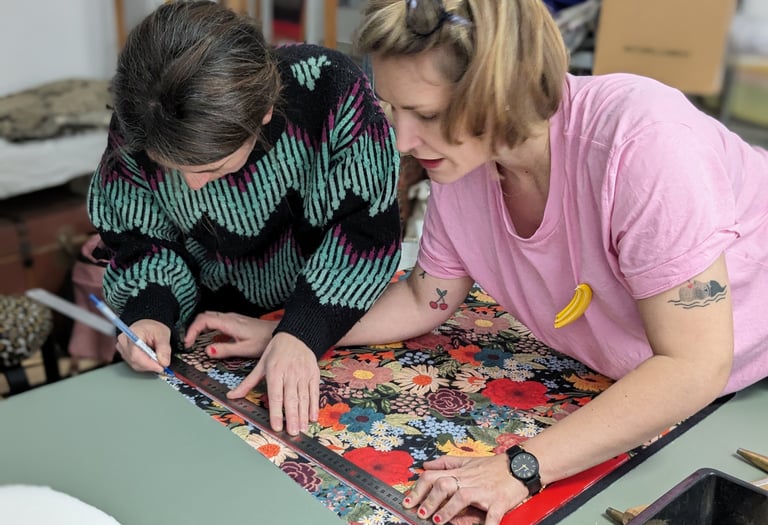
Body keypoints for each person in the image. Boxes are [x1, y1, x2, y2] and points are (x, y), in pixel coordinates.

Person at [191, 0, 768, 522]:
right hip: (636, 372)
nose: (401, 140)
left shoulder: (642, 143)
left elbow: (693, 365)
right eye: (393, 110)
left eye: (425, 112)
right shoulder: (467, 164)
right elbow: (425, 298)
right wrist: (296, 333)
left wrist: (521, 468)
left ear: (500, 87)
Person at [87, 1, 402, 438]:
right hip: (198, 339)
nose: (193, 189)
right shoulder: (144, 116)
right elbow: (141, 239)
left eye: (211, 169)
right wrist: (149, 315)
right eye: (173, 169)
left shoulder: (330, 91)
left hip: (328, 320)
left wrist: (300, 333)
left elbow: (363, 233)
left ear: (264, 112)